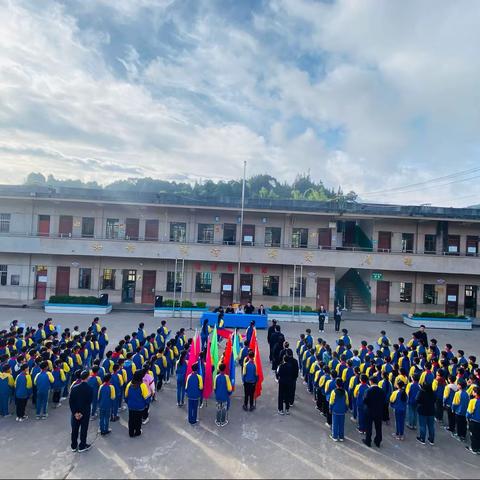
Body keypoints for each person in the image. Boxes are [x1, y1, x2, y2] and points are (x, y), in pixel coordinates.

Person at [69, 370, 94, 452]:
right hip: (85, 413)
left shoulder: (74, 388)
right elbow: (88, 402)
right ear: (87, 378)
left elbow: (71, 402)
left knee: (74, 429)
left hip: (75, 413)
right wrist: (81, 413)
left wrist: (75, 413)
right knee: (83, 429)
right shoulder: (89, 389)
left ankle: (73, 445)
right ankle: (82, 446)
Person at [362, 376, 386, 448]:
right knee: (378, 427)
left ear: (371, 381)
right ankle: (378, 441)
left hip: (369, 411)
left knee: (368, 427)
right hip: (378, 411)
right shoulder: (381, 391)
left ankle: (368, 441)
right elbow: (384, 400)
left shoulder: (368, 390)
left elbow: (365, 401)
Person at [125, 370, 150, 437]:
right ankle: (137, 432)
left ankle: (131, 432)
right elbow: (146, 398)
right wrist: (146, 405)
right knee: (138, 420)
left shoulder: (129, 384)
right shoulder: (142, 385)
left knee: (131, 419)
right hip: (140, 407)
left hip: (131, 406)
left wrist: (128, 403)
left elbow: (126, 396)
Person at [466, 386, 480, 454]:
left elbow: (469, 412)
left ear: (476, 393)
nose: (472, 392)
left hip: (474, 421)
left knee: (473, 435)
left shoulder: (472, 401)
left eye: (473, 392)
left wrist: (467, 418)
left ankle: (474, 448)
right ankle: (478, 448)